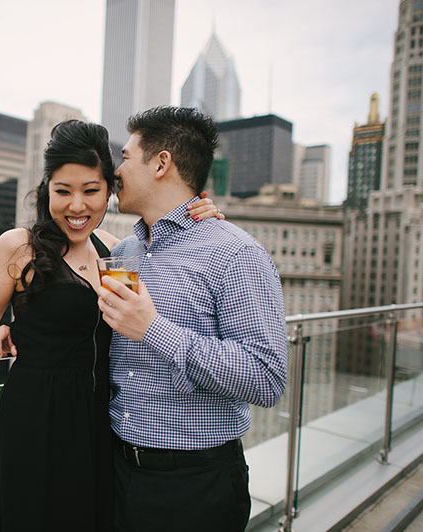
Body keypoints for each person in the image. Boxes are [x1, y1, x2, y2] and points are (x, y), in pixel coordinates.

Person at [0, 119, 222, 532]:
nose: (76, 206)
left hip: (98, 425)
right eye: (63, 191)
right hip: (32, 422)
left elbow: (136, 317)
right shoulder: (18, 246)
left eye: (91, 191)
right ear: (47, 190)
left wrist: (201, 209)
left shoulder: (118, 253)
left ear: (109, 191)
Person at [95, 106, 288, 532]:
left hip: (195, 487)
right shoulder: (123, 253)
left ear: (162, 162)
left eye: (126, 157)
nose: (116, 171)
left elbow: (268, 378)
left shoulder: (236, 254)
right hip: (116, 473)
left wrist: (154, 330)